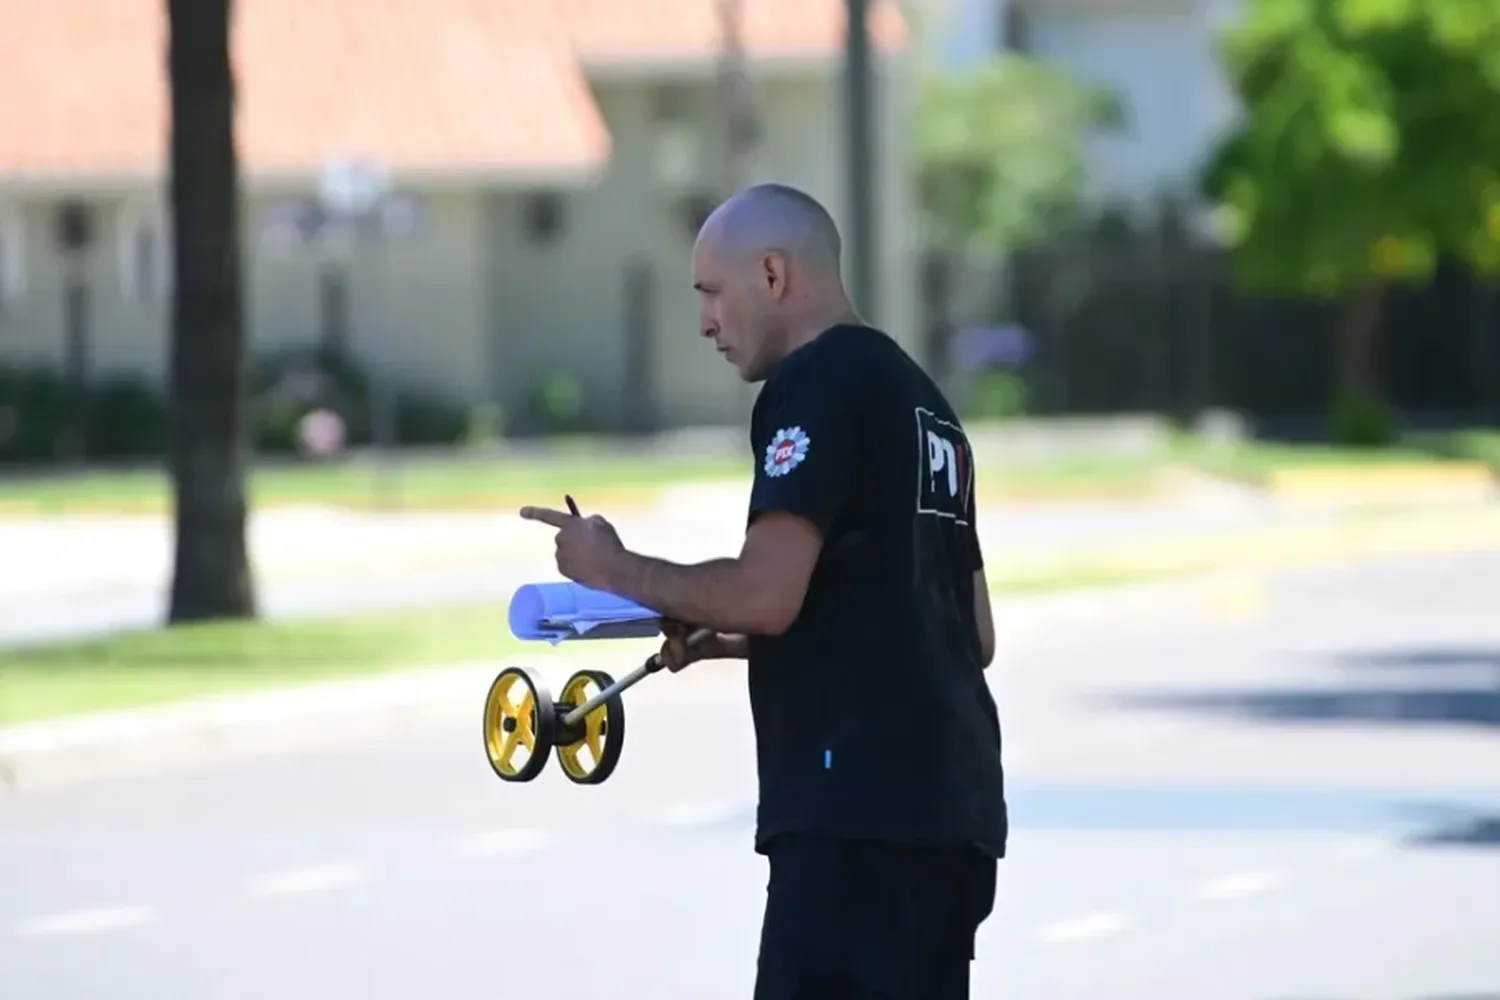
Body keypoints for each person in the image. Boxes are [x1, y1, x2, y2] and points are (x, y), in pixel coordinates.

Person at [520, 182, 1005, 1000]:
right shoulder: (925, 402)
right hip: (947, 816)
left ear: (773, 275)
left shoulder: (815, 383)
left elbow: (766, 593)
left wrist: (613, 567)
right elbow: (969, 632)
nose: (705, 321)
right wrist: (720, 633)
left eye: (711, 293)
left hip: (855, 818)